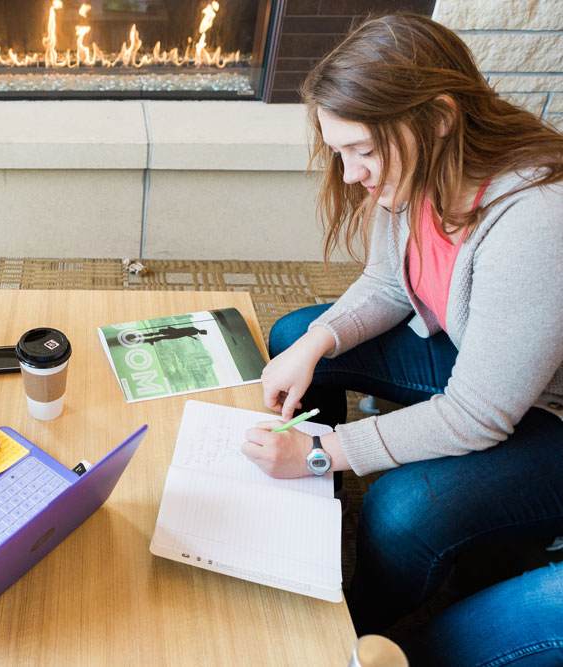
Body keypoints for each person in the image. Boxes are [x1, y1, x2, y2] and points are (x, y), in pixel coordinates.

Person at [238, 13, 563, 665]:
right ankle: (308, 519)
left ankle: (350, 624)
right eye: (339, 151)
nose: (352, 173)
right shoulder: (420, 174)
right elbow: (390, 284)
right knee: (294, 334)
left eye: (362, 149)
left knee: (401, 509)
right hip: (483, 363)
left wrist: (325, 451)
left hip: (545, 410)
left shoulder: (536, 220)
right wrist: (319, 340)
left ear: (438, 117)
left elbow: (479, 414)